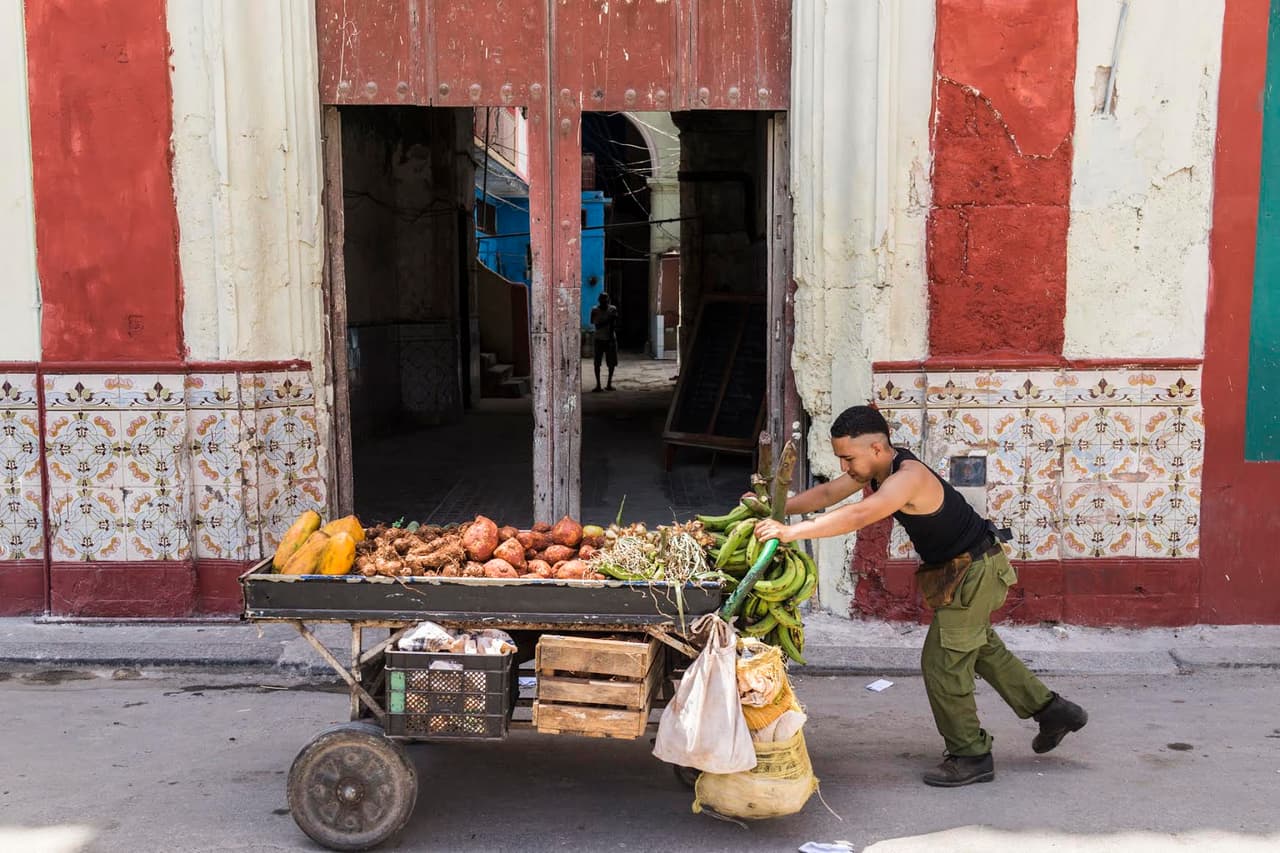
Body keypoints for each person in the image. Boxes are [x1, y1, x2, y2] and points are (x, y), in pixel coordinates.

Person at [754, 405, 1088, 787]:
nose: (845, 466)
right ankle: (1054, 711)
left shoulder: (907, 478)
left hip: (975, 572)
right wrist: (775, 509)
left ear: (877, 448)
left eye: (848, 457)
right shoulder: (879, 467)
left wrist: (792, 533)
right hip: (962, 570)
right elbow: (830, 492)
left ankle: (971, 755)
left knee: (943, 661)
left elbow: (863, 514)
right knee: (980, 649)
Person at [590, 292, 619, 392]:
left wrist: (608, 322)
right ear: (599, 300)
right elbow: (594, 324)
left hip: (610, 339)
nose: (604, 302)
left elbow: (613, 325)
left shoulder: (613, 309)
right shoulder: (595, 310)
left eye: (606, 300)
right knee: (597, 363)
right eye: (602, 300)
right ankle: (598, 385)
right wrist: (609, 320)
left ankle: (608, 384)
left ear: (608, 300)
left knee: (611, 363)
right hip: (599, 339)